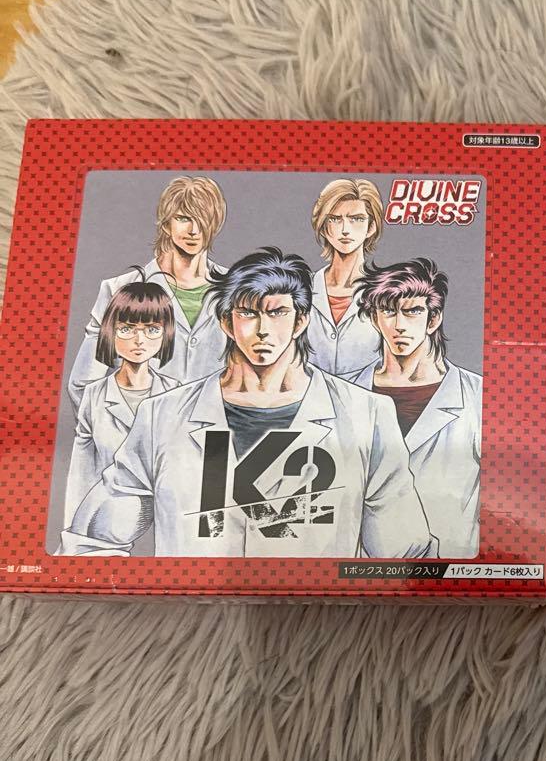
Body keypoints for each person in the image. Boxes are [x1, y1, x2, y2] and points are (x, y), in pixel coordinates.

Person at [60, 247, 435, 559]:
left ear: (301, 321)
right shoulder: (163, 415)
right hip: (193, 613)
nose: (263, 330)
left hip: (315, 615)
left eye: (277, 312)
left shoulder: (365, 414)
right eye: (248, 313)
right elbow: (91, 540)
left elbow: (407, 554)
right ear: (226, 322)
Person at [347, 258, 483, 557]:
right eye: (388, 311)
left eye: (412, 311)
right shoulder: (343, 394)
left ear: (433, 319)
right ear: (374, 318)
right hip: (362, 570)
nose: (399, 325)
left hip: (451, 568)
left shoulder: (477, 397)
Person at [67, 176, 229, 407]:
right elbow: (83, 384)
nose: (194, 230)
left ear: (216, 224)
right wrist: (127, 425)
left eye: (203, 219)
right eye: (183, 218)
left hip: (214, 425)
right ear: (166, 223)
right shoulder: (119, 288)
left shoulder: (237, 288)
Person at [63, 279, 179, 529]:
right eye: (127, 329)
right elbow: (81, 475)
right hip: (106, 520)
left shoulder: (177, 393)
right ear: (110, 332)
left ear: (166, 333)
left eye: (152, 329)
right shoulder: (94, 396)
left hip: (166, 522)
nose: (139, 340)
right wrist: (74, 535)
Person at [306, 178, 386, 374]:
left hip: (365, 392)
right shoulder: (302, 288)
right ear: (323, 227)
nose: (345, 230)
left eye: (356, 219)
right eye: (335, 219)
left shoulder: (386, 291)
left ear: (371, 227)